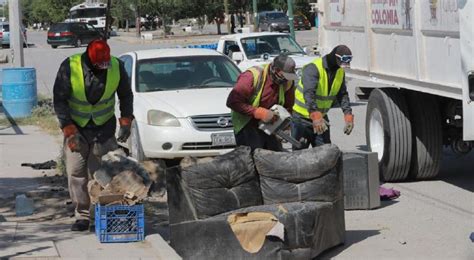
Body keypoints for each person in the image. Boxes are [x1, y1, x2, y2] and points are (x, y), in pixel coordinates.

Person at [53, 39, 134, 231]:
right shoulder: (70, 66)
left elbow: (125, 95)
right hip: (76, 127)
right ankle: (82, 215)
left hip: (103, 126)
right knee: (76, 171)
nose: (103, 68)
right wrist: (69, 130)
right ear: (90, 58)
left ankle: (102, 211)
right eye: (99, 65)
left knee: (102, 171)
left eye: (105, 64)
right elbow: (60, 101)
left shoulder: (116, 66)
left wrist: (126, 121)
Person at [227, 54, 297, 151]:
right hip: (247, 125)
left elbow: (288, 105)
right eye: (285, 76)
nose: (287, 79)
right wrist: (259, 113)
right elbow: (232, 102)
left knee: (274, 158)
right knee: (253, 158)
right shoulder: (251, 76)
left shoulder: (288, 82)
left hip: (269, 126)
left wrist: (283, 125)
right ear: (276, 70)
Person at [291, 45, 354, 149]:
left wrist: (348, 114)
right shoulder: (313, 68)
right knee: (299, 157)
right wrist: (315, 115)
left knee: (325, 154)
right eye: (341, 63)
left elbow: (342, 94)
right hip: (302, 119)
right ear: (335, 57)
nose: (342, 66)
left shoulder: (339, 71)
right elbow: (309, 93)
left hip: (321, 118)